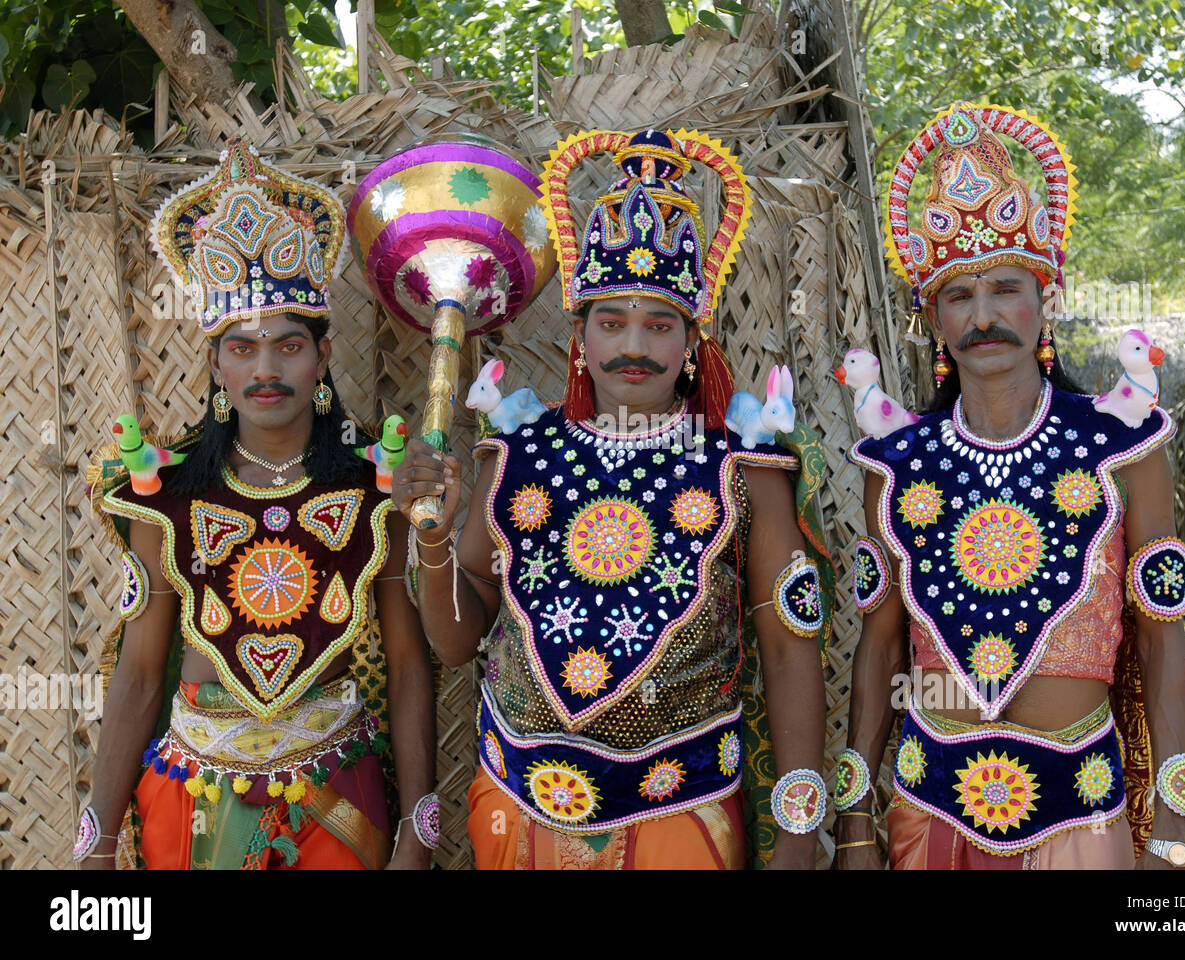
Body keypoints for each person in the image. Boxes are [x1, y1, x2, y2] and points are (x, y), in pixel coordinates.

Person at [392, 129, 832, 869]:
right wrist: (432, 540)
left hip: (682, 816)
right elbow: (456, 643)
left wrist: (794, 839)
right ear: (581, 339)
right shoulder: (513, 456)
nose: (635, 346)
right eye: (612, 322)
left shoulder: (743, 470)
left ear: (692, 344)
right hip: (517, 811)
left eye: (659, 325)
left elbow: (790, 654)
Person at [833, 104, 1185, 870]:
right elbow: (881, 645)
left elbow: (1163, 635)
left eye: (1006, 289)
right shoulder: (894, 465)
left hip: (1082, 810)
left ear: (1046, 301)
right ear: (932, 319)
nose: (984, 316)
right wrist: (856, 824)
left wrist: (1178, 816)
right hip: (928, 808)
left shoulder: (1124, 445)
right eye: (958, 297)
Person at [79, 139, 438, 869]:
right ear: (214, 363)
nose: (266, 368)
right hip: (191, 803)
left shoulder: (375, 489)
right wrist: (98, 840)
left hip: (337, 801)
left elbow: (408, 666)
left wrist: (418, 831)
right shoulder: (165, 493)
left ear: (322, 356)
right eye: (240, 349)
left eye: (287, 346)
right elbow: (142, 675)